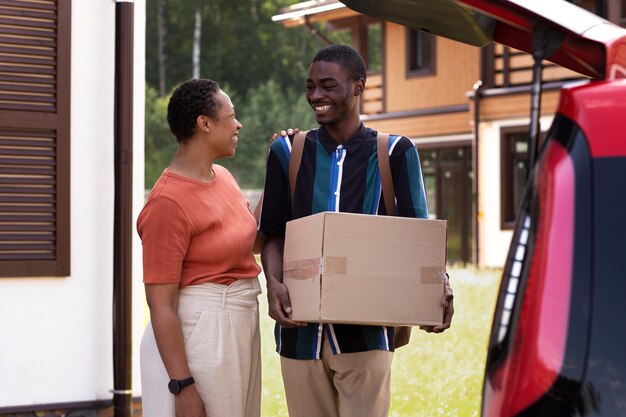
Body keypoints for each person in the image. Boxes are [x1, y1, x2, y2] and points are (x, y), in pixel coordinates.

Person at [258, 45, 454, 417]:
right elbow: (272, 234)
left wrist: (438, 288)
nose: (316, 95)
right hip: (299, 336)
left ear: (358, 86)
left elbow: (419, 240)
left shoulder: (396, 152)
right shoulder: (285, 152)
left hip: (367, 335)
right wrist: (274, 285)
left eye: (328, 86)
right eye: (311, 86)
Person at [138, 78, 262, 417]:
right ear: (204, 124)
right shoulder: (167, 203)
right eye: (231, 116)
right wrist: (182, 386)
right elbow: (161, 305)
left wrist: (281, 165)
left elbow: (250, 240)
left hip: (238, 321)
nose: (238, 124)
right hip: (202, 332)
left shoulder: (223, 177)